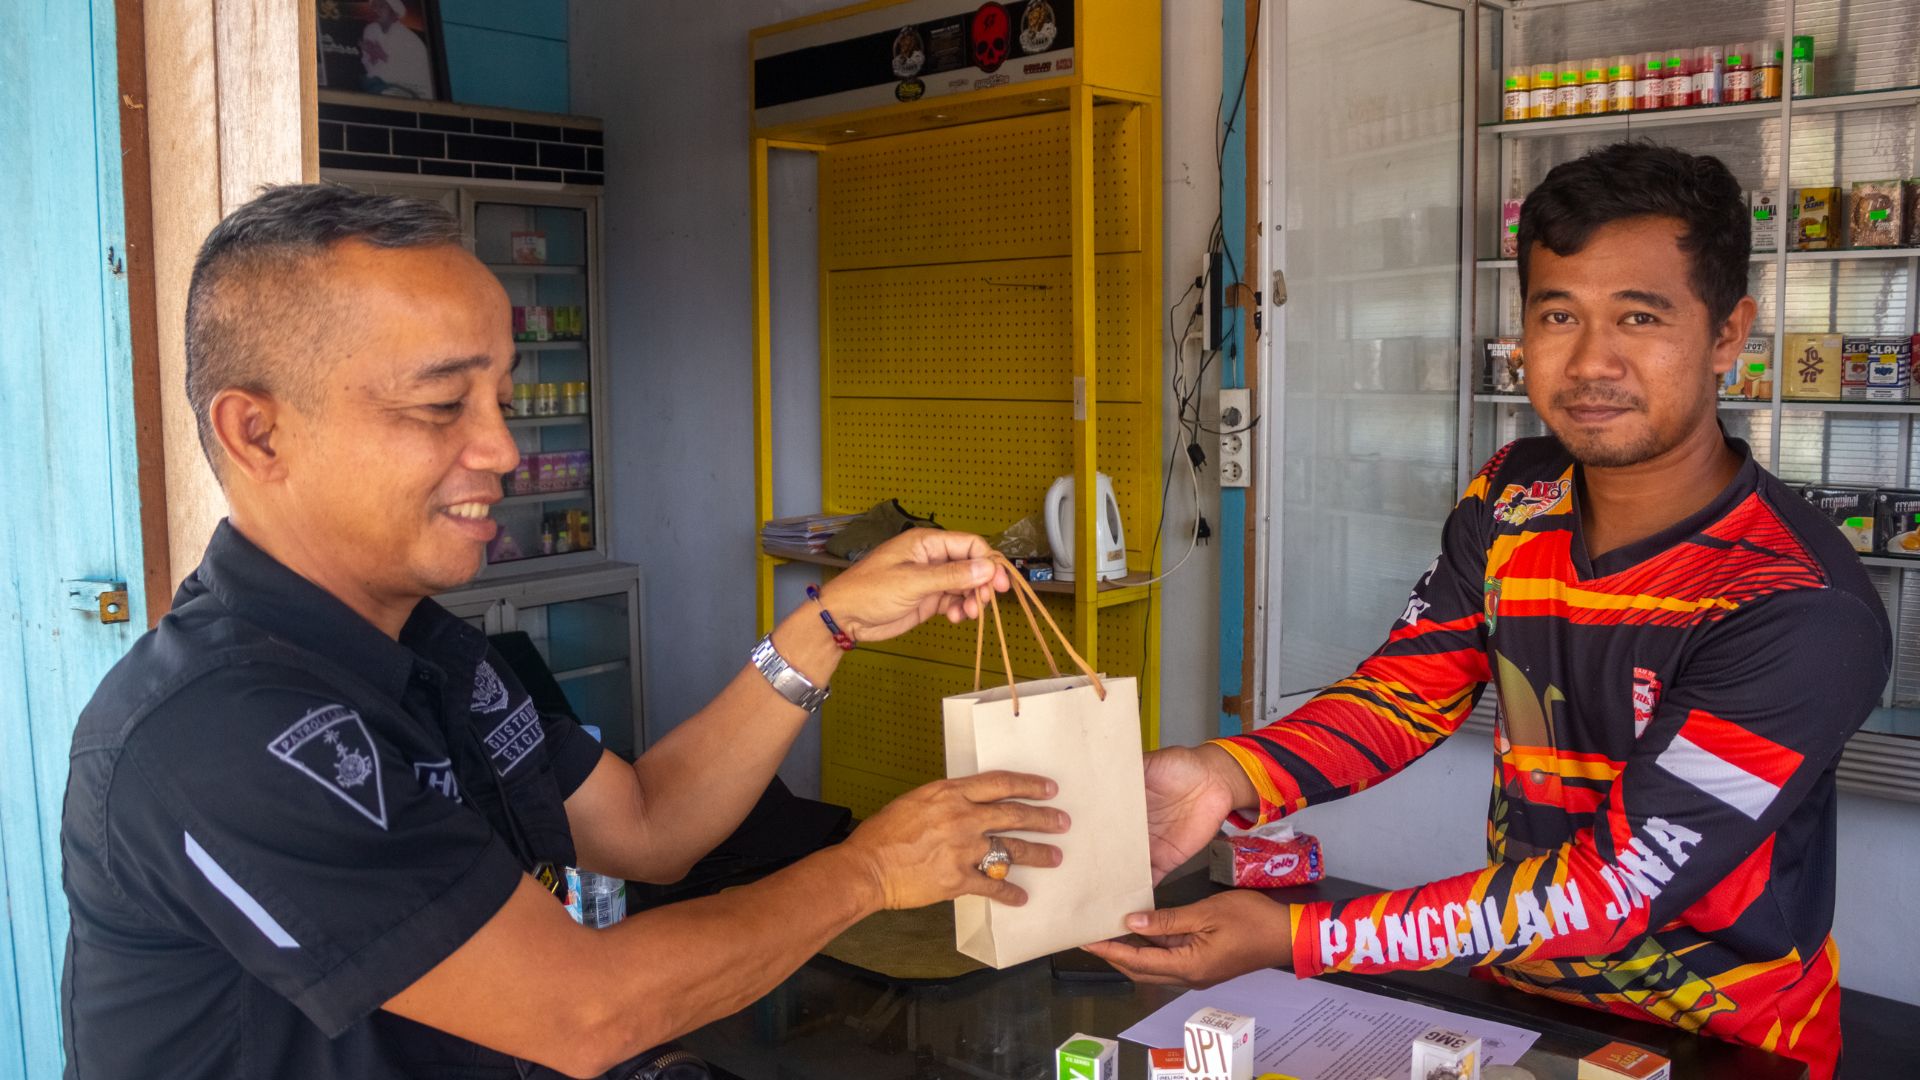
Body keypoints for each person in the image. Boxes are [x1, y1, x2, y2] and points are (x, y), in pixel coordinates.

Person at [60, 184, 1067, 1080]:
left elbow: (649, 827)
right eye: (440, 405)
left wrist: (830, 623)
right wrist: (874, 870)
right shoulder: (214, 734)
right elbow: (582, 1010)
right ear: (259, 431)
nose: (499, 448)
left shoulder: (439, 654)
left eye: (498, 397)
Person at [1087, 143, 1890, 1079]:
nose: (1592, 361)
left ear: (1726, 333)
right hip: (1516, 1004)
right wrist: (1224, 773)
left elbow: (1616, 888)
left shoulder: (1793, 602)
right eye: (1559, 314)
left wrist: (1297, 937)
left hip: (1723, 1043)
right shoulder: (1514, 495)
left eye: (1640, 315)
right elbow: (1407, 691)